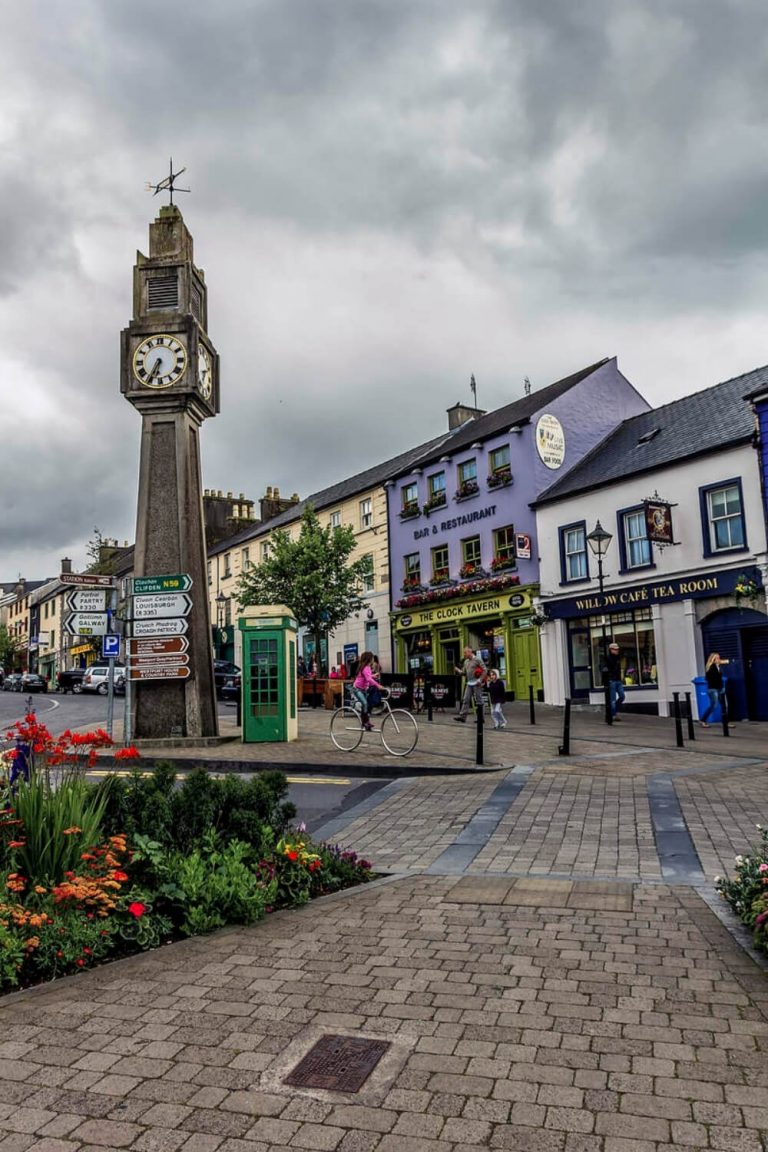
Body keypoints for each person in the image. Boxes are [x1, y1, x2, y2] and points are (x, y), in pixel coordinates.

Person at [351, 650, 384, 731]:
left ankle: (366, 722)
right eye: (372, 657)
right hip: (357, 689)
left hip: (364, 689)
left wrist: (373, 675)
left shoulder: (368, 667)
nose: (373, 659)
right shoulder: (365, 667)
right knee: (365, 703)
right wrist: (378, 685)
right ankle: (365, 722)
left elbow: (367, 676)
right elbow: (368, 679)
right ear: (369, 659)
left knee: (366, 705)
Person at [453, 646, 487, 723]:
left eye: (465, 652)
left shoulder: (477, 660)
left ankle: (481, 718)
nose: (464, 654)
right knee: (465, 699)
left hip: (477, 683)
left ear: (470, 652)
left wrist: (480, 679)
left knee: (479, 700)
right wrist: (458, 671)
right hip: (469, 683)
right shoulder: (466, 662)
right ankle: (462, 717)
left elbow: (485, 670)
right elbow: (464, 673)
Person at [700, 652, 726, 727]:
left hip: (720, 688)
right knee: (713, 705)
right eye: (717, 658)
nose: (719, 659)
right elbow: (710, 678)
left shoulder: (718, 667)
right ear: (713, 660)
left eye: (719, 657)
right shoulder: (711, 668)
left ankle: (725, 722)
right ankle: (703, 720)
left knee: (724, 705)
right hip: (713, 689)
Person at [604, 641, 625, 720]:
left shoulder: (618, 658)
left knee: (622, 696)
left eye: (617, 649)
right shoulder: (608, 658)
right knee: (612, 699)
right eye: (615, 649)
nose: (617, 651)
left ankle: (614, 711)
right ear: (611, 650)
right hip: (612, 680)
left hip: (618, 680)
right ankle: (613, 715)